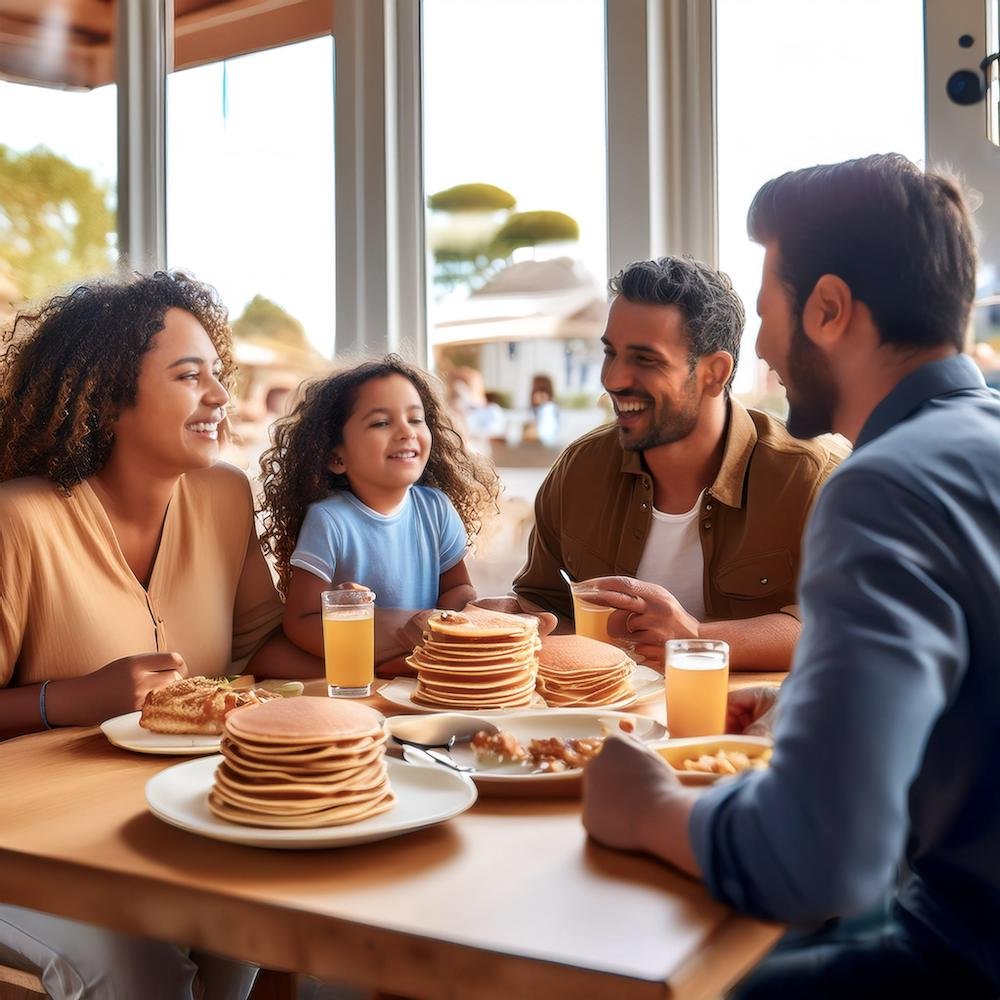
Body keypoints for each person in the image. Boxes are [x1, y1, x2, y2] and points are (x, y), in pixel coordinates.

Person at [582, 154, 1000, 997]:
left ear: (830, 309)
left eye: (768, 310)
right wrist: (813, 705)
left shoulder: (884, 486)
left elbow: (818, 861)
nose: (766, 347)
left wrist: (650, 810)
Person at [0, 272, 317, 998]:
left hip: (165, 816)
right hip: (27, 841)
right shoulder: (20, 522)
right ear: (108, 398)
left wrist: (414, 641)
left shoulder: (224, 497)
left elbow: (260, 650)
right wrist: (72, 698)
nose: (218, 396)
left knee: (255, 921)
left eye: (217, 375)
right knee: (140, 967)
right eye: (188, 375)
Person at [510, 255, 847, 669]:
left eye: (645, 359)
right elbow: (542, 603)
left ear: (714, 372)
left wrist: (697, 637)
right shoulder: (580, 469)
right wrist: (508, 620)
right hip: (607, 726)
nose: (613, 378)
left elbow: (848, 624)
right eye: (610, 353)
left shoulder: (811, 477)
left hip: (749, 728)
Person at [258, 355, 499, 662]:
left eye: (415, 419)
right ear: (337, 457)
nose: (406, 432)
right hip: (362, 662)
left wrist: (450, 616)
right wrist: (356, 621)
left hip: (421, 656)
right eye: (382, 423)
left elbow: (460, 588)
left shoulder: (437, 508)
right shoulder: (329, 520)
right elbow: (301, 621)